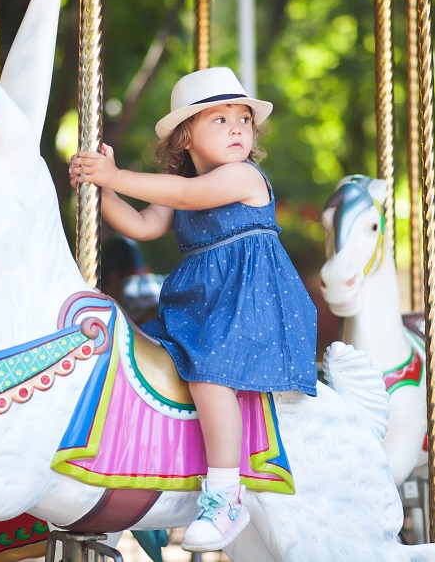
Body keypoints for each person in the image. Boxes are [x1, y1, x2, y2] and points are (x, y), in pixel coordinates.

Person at [69, 67, 318, 553]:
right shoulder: (175, 184)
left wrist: (116, 174)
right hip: (202, 300)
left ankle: (225, 494)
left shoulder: (242, 176)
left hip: (250, 299)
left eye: (243, 119)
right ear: (185, 138)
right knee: (145, 357)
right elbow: (141, 225)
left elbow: (187, 196)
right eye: (220, 120)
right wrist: (105, 189)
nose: (237, 128)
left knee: (209, 373)